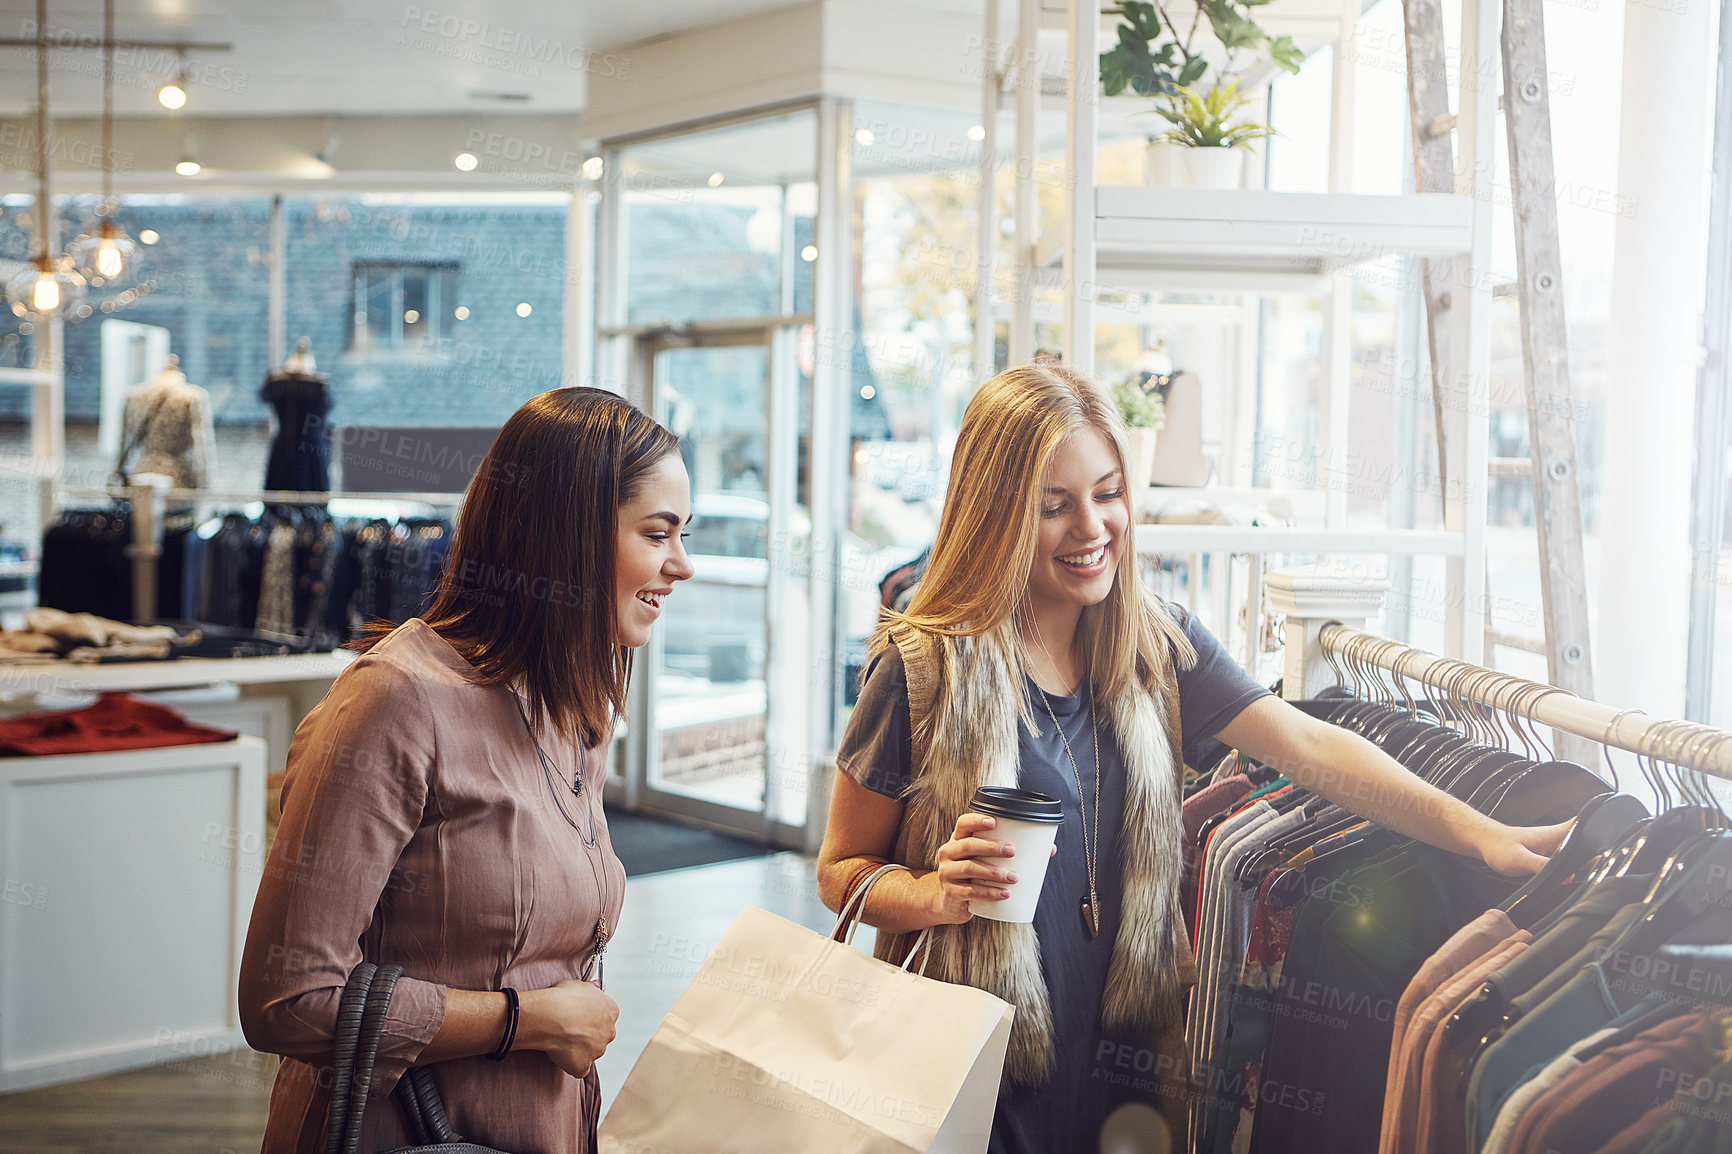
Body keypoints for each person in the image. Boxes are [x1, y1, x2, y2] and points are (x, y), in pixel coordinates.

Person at [815, 363, 1569, 1154]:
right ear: (995, 512)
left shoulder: (1157, 646)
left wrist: (1478, 830)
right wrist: (935, 894)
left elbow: (1311, 745)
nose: (1093, 528)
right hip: (974, 1071)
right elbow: (841, 869)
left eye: (1108, 494)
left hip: (1128, 1072)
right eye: (1053, 506)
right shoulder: (923, 670)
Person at [240, 387, 694, 1154]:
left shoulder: (569, 707)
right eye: (658, 534)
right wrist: (527, 1020)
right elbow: (287, 999)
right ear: (569, 538)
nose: (681, 565)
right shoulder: (396, 700)